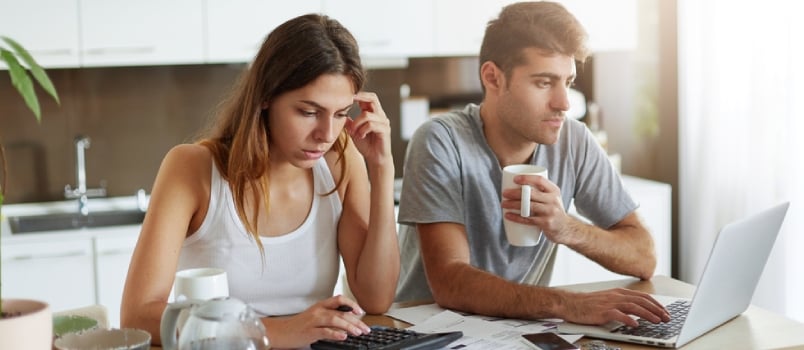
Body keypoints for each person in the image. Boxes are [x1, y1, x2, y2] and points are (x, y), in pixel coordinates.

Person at [120, 14, 399, 348]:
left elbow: (377, 298)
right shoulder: (192, 169)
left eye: (340, 114)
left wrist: (382, 168)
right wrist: (275, 331)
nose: (326, 134)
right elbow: (137, 316)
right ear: (266, 97)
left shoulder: (340, 161)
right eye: (308, 112)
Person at [395, 1, 671, 328]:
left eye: (567, 82)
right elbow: (450, 282)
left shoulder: (574, 141)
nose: (564, 103)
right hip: (428, 332)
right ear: (493, 78)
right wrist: (566, 304)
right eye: (544, 82)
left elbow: (644, 257)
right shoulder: (441, 141)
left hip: (516, 331)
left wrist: (566, 227)